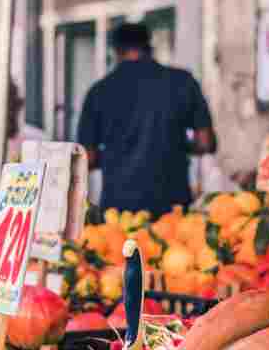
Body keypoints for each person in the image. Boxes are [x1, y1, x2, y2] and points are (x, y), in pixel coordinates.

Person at [77, 22, 216, 217]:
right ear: (149, 46)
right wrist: (176, 144)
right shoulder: (182, 82)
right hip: (172, 206)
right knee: (176, 248)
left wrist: (116, 153)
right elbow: (205, 142)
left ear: (116, 51)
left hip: (120, 210)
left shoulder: (98, 92)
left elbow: (87, 158)